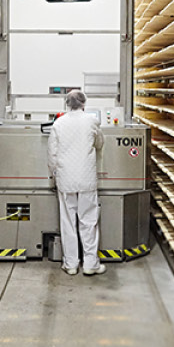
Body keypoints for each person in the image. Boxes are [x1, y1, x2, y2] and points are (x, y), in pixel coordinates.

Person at [47, 89, 105, 276]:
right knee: (88, 221)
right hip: (86, 179)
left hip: (66, 180)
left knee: (68, 222)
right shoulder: (92, 121)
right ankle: (90, 264)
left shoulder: (59, 123)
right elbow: (100, 143)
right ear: (84, 104)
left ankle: (71, 264)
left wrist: (53, 175)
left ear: (67, 104)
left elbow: (52, 154)